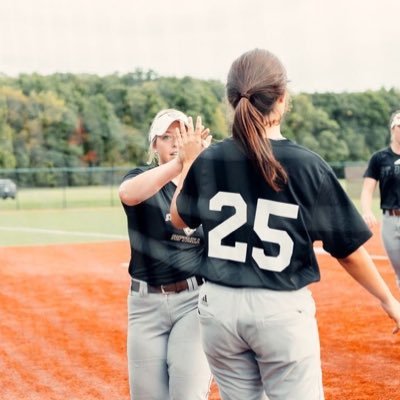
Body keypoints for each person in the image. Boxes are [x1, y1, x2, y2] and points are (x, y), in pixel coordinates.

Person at [169, 49, 400, 400]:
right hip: (278, 308)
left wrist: (187, 163)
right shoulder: (307, 165)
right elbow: (348, 251)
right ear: (282, 99)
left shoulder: (210, 158)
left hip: (217, 307)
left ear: (233, 100)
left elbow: (178, 218)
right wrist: (388, 300)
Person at [118, 108, 212, 400]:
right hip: (145, 305)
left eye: (181, 136)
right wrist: (181, 163)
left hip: (192, 302)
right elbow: (128, 194)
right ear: (153, 145)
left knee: (187, 395)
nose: (175, 142)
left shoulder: (209, 185)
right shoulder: (141, 178)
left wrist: (195, 166)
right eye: (166, 137)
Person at [361, 110, 400, 287]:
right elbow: (368, 190)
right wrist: (367, 211)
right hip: (390, 220)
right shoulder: (379, 158)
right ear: (392, 129)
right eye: (399, 126)